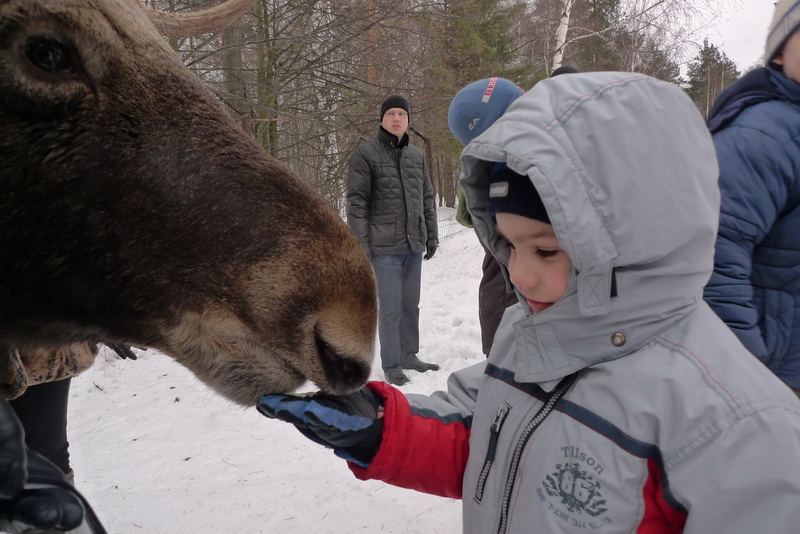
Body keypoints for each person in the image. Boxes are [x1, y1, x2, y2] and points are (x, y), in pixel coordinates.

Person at [259, 72, 800, 532]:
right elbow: (485, 437)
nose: (519, 272)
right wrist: (386, 428)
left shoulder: (738, 429)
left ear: (635, 240)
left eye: (545, 249)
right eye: (510, 245)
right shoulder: (527, 339)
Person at [703, 0, 800, 396]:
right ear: (779, 50)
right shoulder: (764, 134)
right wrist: (746, 372)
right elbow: (714, 254)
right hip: (770, 377)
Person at [346, 95, 439, 386]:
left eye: (401, 114)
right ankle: (392, 363)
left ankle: (409, 354)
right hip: (384, 248)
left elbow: (427, 198)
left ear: (408, 119)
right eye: (391, 114)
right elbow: (357, 203)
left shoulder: (416, 156)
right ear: (382, 119)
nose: (397, 119)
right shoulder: (366, 154)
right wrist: (362, 246)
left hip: (413, 243)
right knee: (391, 308)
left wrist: (431, 234)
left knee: (411, 304)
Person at [449, 77, 525, 357]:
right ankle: (499, 355)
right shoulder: (503, 179)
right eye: (520, 103)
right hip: (513, 331)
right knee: (505, 274)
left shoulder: (500, 166)